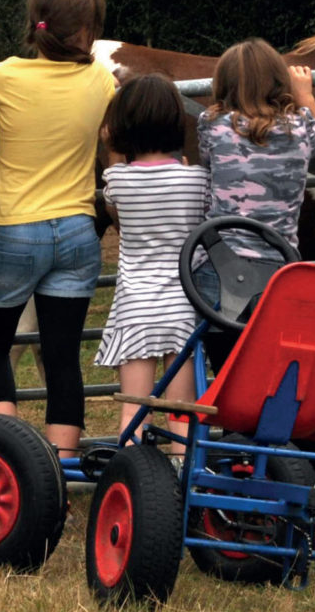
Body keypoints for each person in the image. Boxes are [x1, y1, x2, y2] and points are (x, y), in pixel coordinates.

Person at [0, 0, 117, 458]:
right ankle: (61, 466)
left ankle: (14, 458)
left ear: (36, 25)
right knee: (64, 357)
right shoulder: (101, 81)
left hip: (16, 233)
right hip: (78, 235)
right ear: (88, 32)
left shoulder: (7, 75)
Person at [196, 37, 315, 367]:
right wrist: (306, 98)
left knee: (226, 369)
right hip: (277, 271)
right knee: (264, 371)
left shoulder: (211, 125)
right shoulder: (301, 127)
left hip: (217, 265)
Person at [94, 73, 209, 454]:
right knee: (182, 415)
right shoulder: (197, 180)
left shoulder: (118, 180)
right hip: (182, 311)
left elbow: (115, 208)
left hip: (136, 310)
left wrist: (112, 145)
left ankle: (133, 486)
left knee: (134, 414)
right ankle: (184, 492)